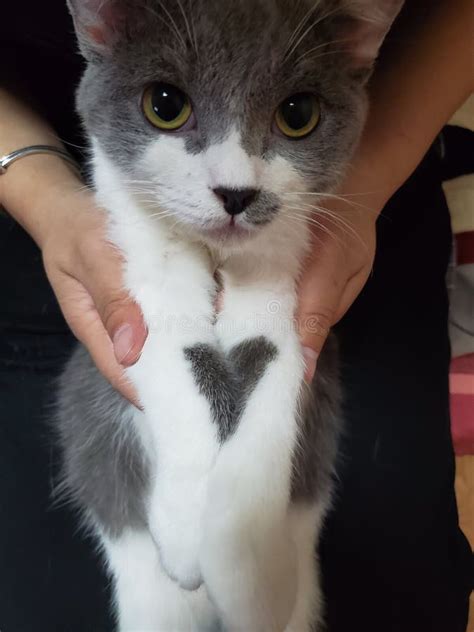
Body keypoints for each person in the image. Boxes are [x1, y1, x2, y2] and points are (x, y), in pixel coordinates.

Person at [0, 1, 472, 630]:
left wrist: (369, 181)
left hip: (359, 173)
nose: (234, 177)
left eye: (294, 117)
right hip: (46, 165)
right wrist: (45, 197)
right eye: (168, 103)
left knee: (398, 587)